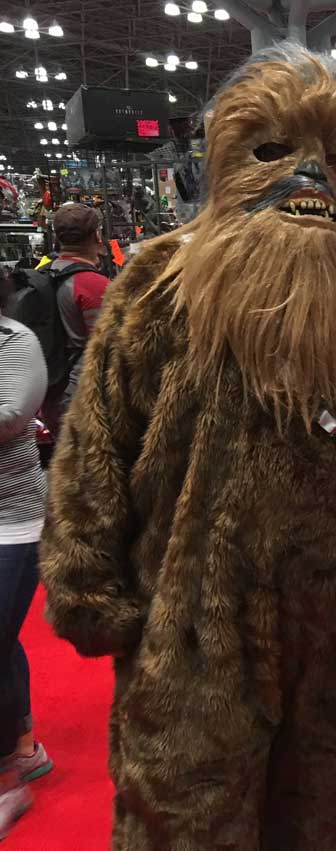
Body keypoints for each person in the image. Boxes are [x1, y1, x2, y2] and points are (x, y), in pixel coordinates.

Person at [40, 45, 336, 849]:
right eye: (274, 151)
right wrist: (87, 587)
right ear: (226, 164)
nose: (309, 177)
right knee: (186, 818)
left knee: (333, 822)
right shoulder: (161, 283)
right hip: (193, 634)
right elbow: (94, 448)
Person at [0, 305, 53, 838]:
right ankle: (25, 746)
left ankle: (8, 783)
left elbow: (11, 416)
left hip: (12, 518)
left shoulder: (14, 341)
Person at [45, 204, 111, 426]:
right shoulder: (94, 284)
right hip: (82, 395)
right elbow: (107, 347)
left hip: (51, 390)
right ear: (97, 235)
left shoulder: (45, 272)